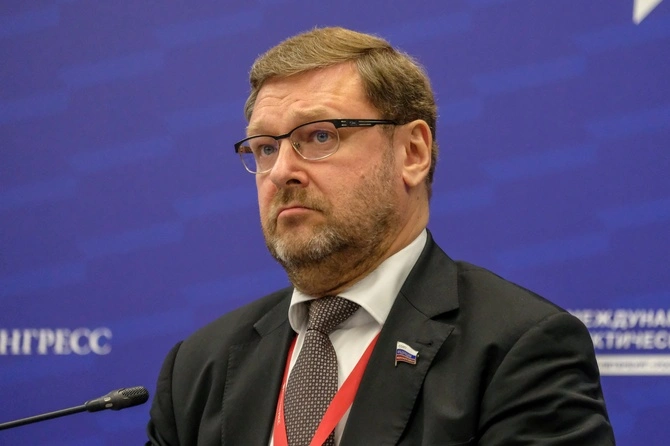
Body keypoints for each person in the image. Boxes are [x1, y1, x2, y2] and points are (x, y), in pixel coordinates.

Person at [146, 27, 615, 445]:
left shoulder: (516, 349)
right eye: (266, 147)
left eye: (320, 136)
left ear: (412, 153)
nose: (282, 170)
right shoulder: (199, 368)